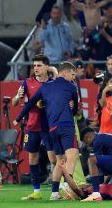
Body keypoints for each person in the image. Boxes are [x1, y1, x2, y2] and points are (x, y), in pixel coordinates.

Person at [14, 62, 80, 200]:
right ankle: (67, 185)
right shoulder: (71, 86)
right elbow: (75, 109)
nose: (73, 78)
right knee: (72, 155)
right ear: (65, 72)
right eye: (72, 74)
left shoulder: (45, 87)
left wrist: (18, 118)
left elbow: (30, 103)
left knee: (60, 160)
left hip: (52, 128)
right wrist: (71, 109)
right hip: (66, 126)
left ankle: (54, 193)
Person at [11, 54, 57, 200]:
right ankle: (36, 192)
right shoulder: (27, 82)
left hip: (49, 126)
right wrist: (18, 97)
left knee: (54, 159)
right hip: (32, 125)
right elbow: (14, 103)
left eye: (39, 65)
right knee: (32, 158)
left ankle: (58, 189)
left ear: (46, 67)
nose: (36, 68)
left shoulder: (53, 83)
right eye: (34, 65)